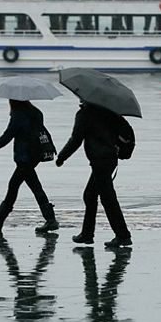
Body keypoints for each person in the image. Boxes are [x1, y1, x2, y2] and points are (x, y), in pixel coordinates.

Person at [56, 102, 132, 247]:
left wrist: (62, 156)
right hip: (110, 159)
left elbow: (76, 139)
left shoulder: (85, 114)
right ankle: (87, 234)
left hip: (99, 161)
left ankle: (122, 235)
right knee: (90, 195)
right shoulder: (109, 111)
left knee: (107, 199)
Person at [0, 100, 59, 233]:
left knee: (16, 187)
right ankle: (49, 219)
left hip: (25, 157)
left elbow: (7, 136)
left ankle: (0, 218)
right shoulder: (36, 113)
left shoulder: (19, 115)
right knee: (30, 186)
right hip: (35, 155)